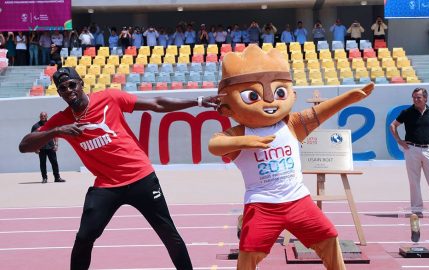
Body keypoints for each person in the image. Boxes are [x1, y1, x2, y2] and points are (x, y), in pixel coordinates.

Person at [19, 67, 221, 270]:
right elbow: (24, 146)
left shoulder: (109, 98)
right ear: (59, 93)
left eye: (72, 85)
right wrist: (56, 131)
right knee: (84, 237)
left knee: (168, 233)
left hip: (140, 178)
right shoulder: (61, 120)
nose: (69, 90)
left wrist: (199, 101)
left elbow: (156, 104)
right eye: (63, 88)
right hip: (107, 186)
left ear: (81, 83)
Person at [209, 44, 375, 270]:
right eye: (253, 96)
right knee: (248, 253)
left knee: (329, 237)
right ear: (227, 107)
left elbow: (319, 113)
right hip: (262, 205)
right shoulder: (240, 132)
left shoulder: (292, 124)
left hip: (298, 200)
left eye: (279, 92)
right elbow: (215, 145)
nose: (269, 101)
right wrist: (243, 142)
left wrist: (347, 98)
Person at [390, 88, 429, 218]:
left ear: (425, 98)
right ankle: (417, 210)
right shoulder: (407, 112)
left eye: (419, 97)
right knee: (414, 181)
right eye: (414, 97)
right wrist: (399, 141)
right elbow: (393, 125)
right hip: (412, 149)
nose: (416, 100)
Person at [31, 112, 65, 184]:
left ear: (47, 116)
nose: (43, 117)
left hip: (51, 147)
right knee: (43, 164)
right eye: (41, 116)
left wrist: (56, 144)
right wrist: (35, 148)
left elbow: (55, 134)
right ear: (39, 117)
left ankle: (57, 177)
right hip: (41, 148)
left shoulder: (51, 124)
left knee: (54, 163)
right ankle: (44, 178)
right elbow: (32, 138)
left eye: (44, 116)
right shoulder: (35, 126)